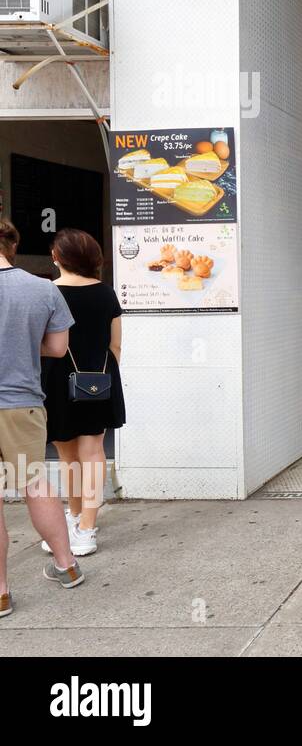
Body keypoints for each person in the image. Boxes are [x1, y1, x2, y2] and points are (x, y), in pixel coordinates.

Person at [0, 219, 85, 619]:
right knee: (34, 480)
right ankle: (66, 566)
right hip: (23, 403)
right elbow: (56, 348)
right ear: (11, 244)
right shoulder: (42, 288)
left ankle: (0, 591)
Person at [40, 228, 124, 558]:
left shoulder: (48, 292)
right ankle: (86, 530)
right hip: (98, 381)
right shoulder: (106, 293)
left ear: (56, 258)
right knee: (93, 453)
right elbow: (115, 344)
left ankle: (75, 518)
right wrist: (104, 376)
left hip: (56, 382)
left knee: (67, 456)